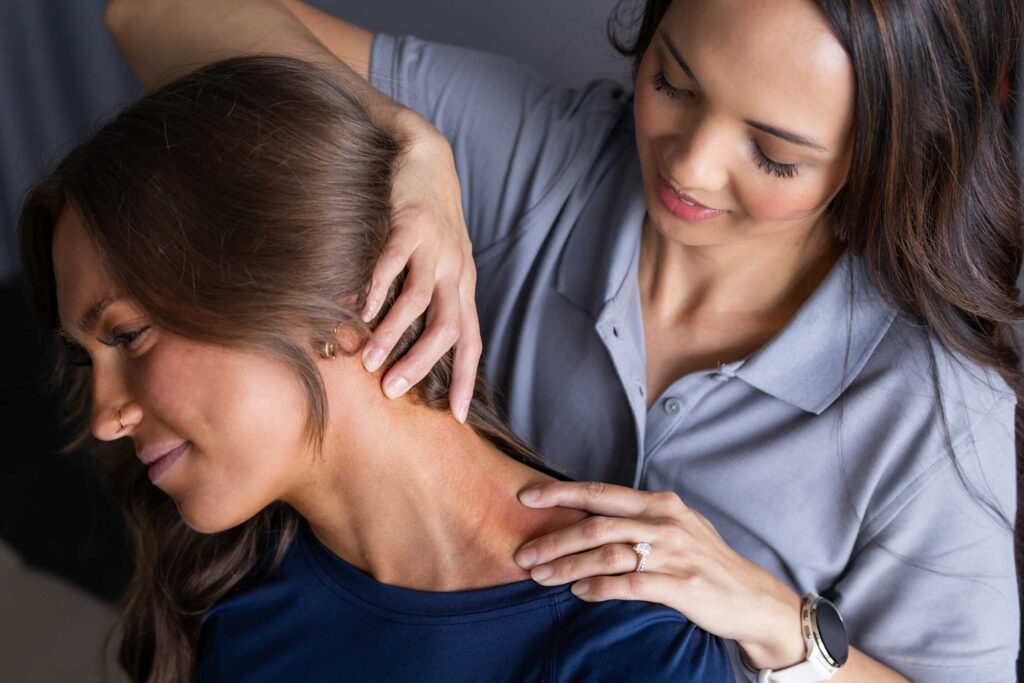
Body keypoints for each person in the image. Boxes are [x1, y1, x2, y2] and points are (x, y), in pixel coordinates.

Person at [104, 0, 1023, 680]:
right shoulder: (541, 159)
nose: (691, 164)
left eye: (774, 153)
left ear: (888, 151)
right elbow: (150, 12)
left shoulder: (936, 417)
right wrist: (406, 142)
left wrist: (783, 624)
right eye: (672, 82)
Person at [17, 55, 734, 682]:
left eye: (131, 335)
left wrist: (414, 143)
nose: (104, 416)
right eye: (91, 359)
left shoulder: (629, 643)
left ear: (319, 290)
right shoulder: (237, 598)